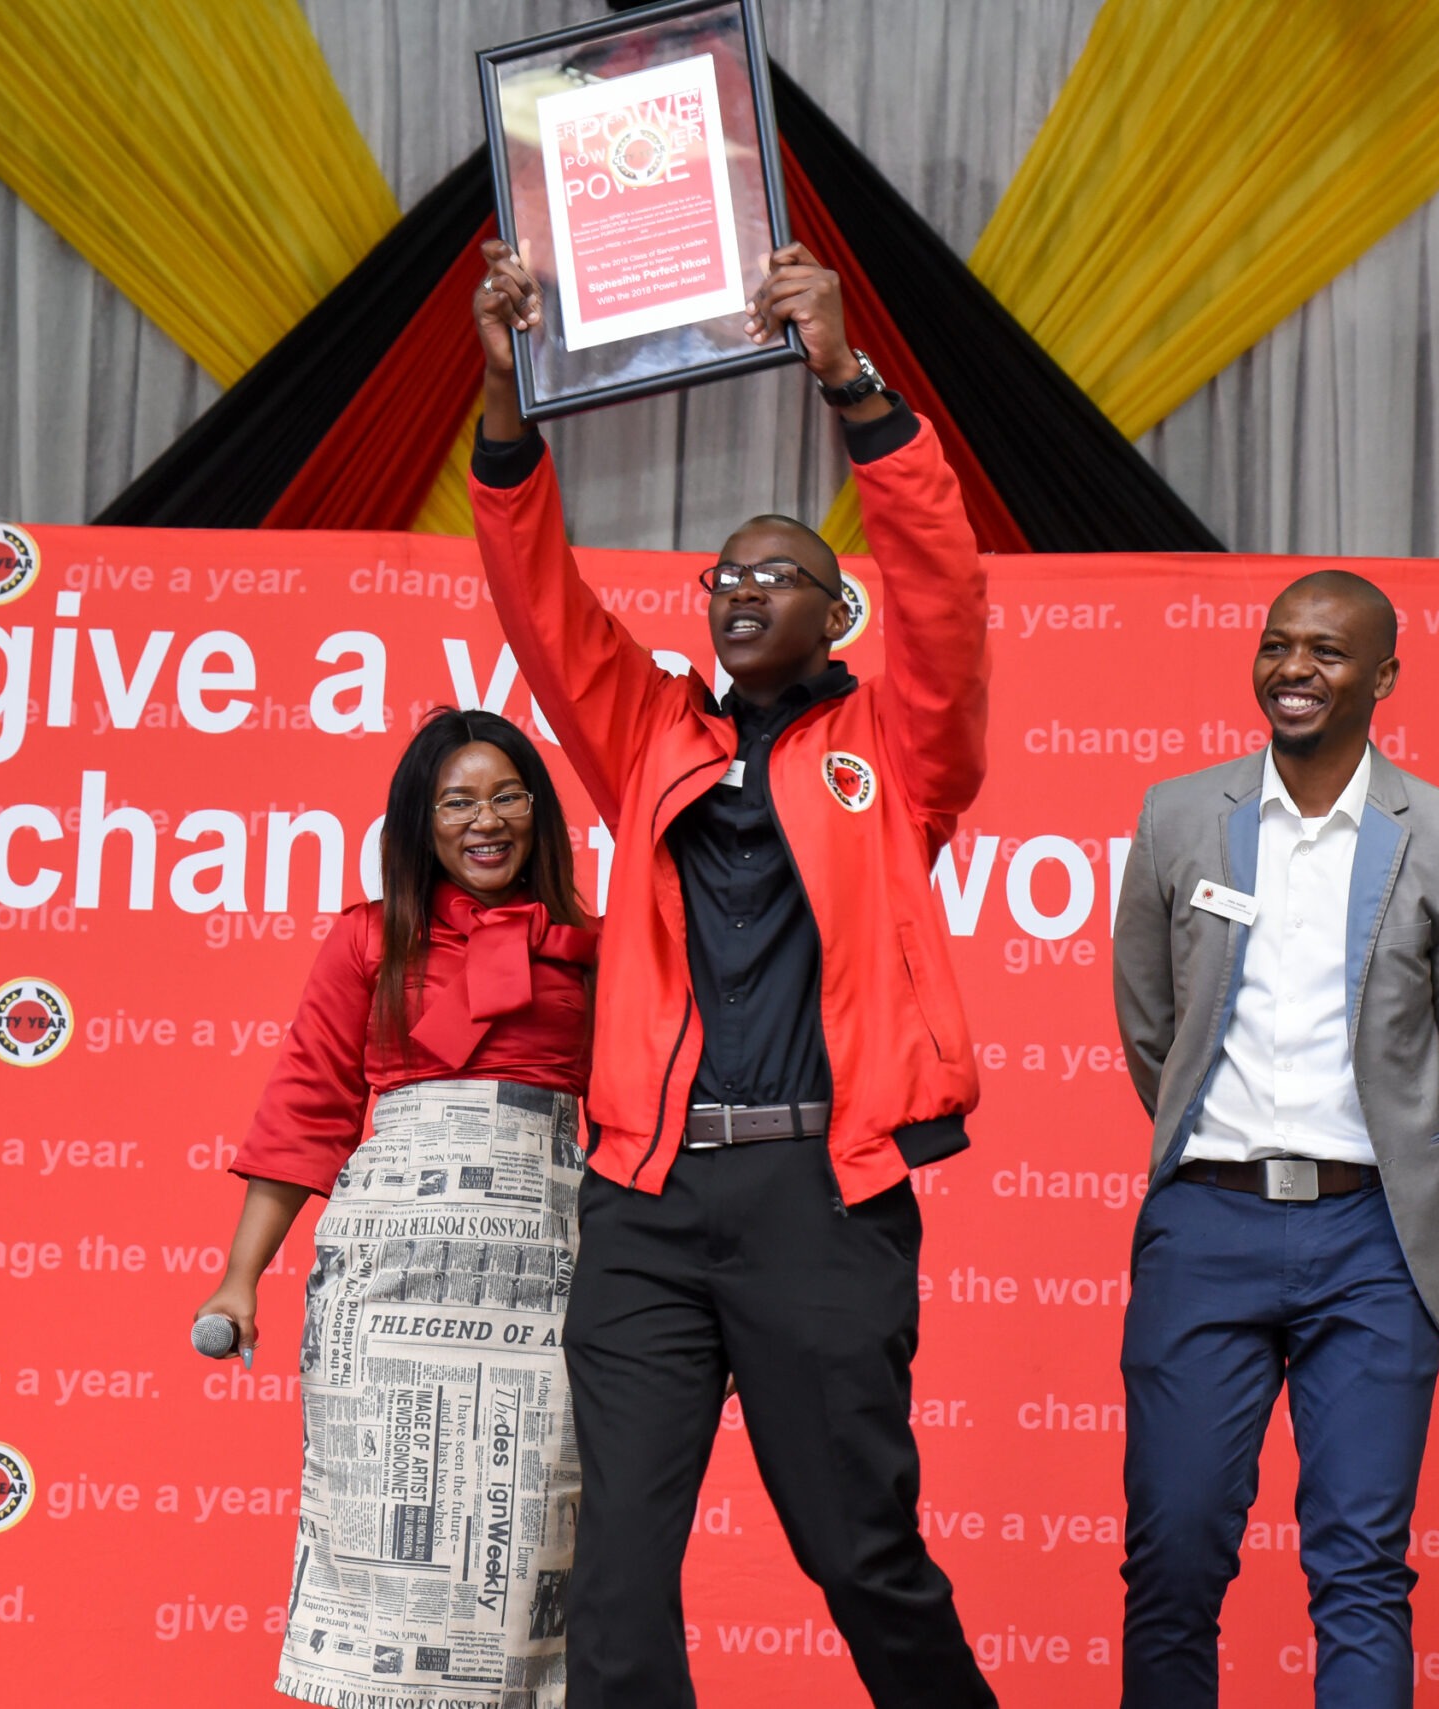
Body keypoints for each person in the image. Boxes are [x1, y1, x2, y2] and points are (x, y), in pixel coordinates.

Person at [468, 239, 998, 1709]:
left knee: (861, 1555)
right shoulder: (648, 735)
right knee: (619, 1578)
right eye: (725, 576)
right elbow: (536, 594)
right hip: (645, 1202)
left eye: (782, 576)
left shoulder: (893, 756)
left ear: (837, 616)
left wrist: (848, 379)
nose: (744, 590)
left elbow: (944, 591)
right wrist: (502, 383)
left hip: (821, 1198)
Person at [1110, 571, 1439, 1707]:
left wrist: (1403, 1189)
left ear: (1383, 677)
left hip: (1373, 1242)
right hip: (1205, 1222)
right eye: (1276, 644)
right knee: (1172, 1559)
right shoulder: (1177, 814)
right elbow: (1151, 1023)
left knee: (1358, 1570)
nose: (1294, 668)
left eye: (1327, 652)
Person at [194, 708, 597, 1709]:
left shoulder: (595, 947)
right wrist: (240, 1279)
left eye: (506, 794)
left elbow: (646, 1113)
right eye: (456, 801)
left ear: (539, 813)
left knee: (527, 1537)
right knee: (379, 1527)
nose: (484, 820)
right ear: (419, 823)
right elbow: (305, 1105)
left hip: (543, 1268)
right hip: (385, 1269)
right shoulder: (368, 937)